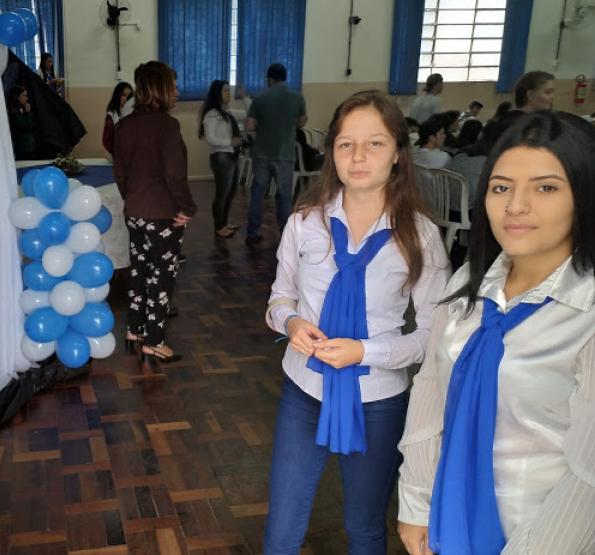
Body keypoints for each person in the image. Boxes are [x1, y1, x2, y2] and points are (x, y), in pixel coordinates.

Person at [397, 111, 595, 555]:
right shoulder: (470, 280)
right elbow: (430, 390)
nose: (516, 206)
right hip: (449, 520)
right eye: (501, 187)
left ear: (584, 195)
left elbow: (589, 481)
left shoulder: (586, 314)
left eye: (545, 188)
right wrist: (416, 501)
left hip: (541, 537)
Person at [264, 90, 450, 554]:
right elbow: (279, 297)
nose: (359, 156)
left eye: (375, 144)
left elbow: (433, 334)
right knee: (283, 526)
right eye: (346, 144)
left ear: (399, 154)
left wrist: (366, 352)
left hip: (378, 400)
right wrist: (289, 323)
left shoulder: (421, 235)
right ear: (331, 153)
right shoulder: (305, 223)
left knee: (365, 526)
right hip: (304, 390)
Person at [113, 61, 196, 364]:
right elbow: (175, 175)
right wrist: (187, 208)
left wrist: (132, 200)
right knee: (162, 277)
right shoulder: (167, 125)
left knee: (139, 270)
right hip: (162, 214)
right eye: (173, 86)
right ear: (161, 89)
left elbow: (120, 173)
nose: (177, 91)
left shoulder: (124, 125)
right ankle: (155, 341)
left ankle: (135, 330)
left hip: (134, 210)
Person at [244, 63, 307, 247]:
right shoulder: (297, 97)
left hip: (262, 153)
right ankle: (285, 235)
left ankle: (253, 232)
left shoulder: (260, 98)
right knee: (284, 195)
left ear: (269, 79)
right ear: (285, 77)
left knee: (258, 193)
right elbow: (302, 122)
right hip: (285, 153)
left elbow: (249, 125)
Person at [199, 79, 242, 238]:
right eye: (225, 90)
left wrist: (244, 98)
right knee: (222, 194)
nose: (228, 93)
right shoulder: (212, 114)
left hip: (232, 155)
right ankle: (219, 227)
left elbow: (247, 113)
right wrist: (229, 142)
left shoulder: (227, 111)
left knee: (231, 192)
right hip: (221, 157)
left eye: (228, 90)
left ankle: (224, 223)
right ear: (217, 93)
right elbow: (210, 138)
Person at [101, 81, 133, 156]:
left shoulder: (135, 114)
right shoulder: (111, 116)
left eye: (130, 96)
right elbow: (106, 141)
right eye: (124, 95)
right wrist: (117, 155)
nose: (127, 98)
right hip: (118, 158)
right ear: (117, 96)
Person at [7, 85, 36, 159]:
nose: (26, 98)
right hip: (23, 149)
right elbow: (27, 126)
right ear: (17, 97)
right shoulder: (14, 113)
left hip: (28, 148)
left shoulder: (20, 110)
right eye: (24, 96)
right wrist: (27, 113)